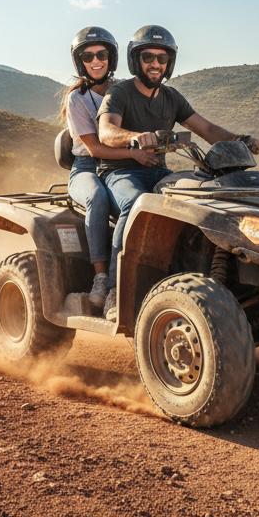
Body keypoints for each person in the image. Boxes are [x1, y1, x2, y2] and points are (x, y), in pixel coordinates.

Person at [97, 25, 259, 319]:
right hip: (121, 172)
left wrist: (241, 141)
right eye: (148, 57)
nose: (155, 64)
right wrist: (135, 137)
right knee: (133, 204)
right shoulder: (120, 92)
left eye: (162, 59)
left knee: (200, 197)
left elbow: (207, 129)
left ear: (169, 63)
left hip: (159, 173)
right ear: (136, 61)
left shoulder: (172, 97)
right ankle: (114, 291)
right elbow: (106, 131)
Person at [61, 27, 158, 313]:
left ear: (111, 57)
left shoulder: (122, 89)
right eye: (88, 56)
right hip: (86, 167)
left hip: (122, 163)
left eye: (102, 54)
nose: (96, 61)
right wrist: (135, 154)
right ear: (80, 62)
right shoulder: (77, 98)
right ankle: (102, 278)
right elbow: (94, 149)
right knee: (98, 197)